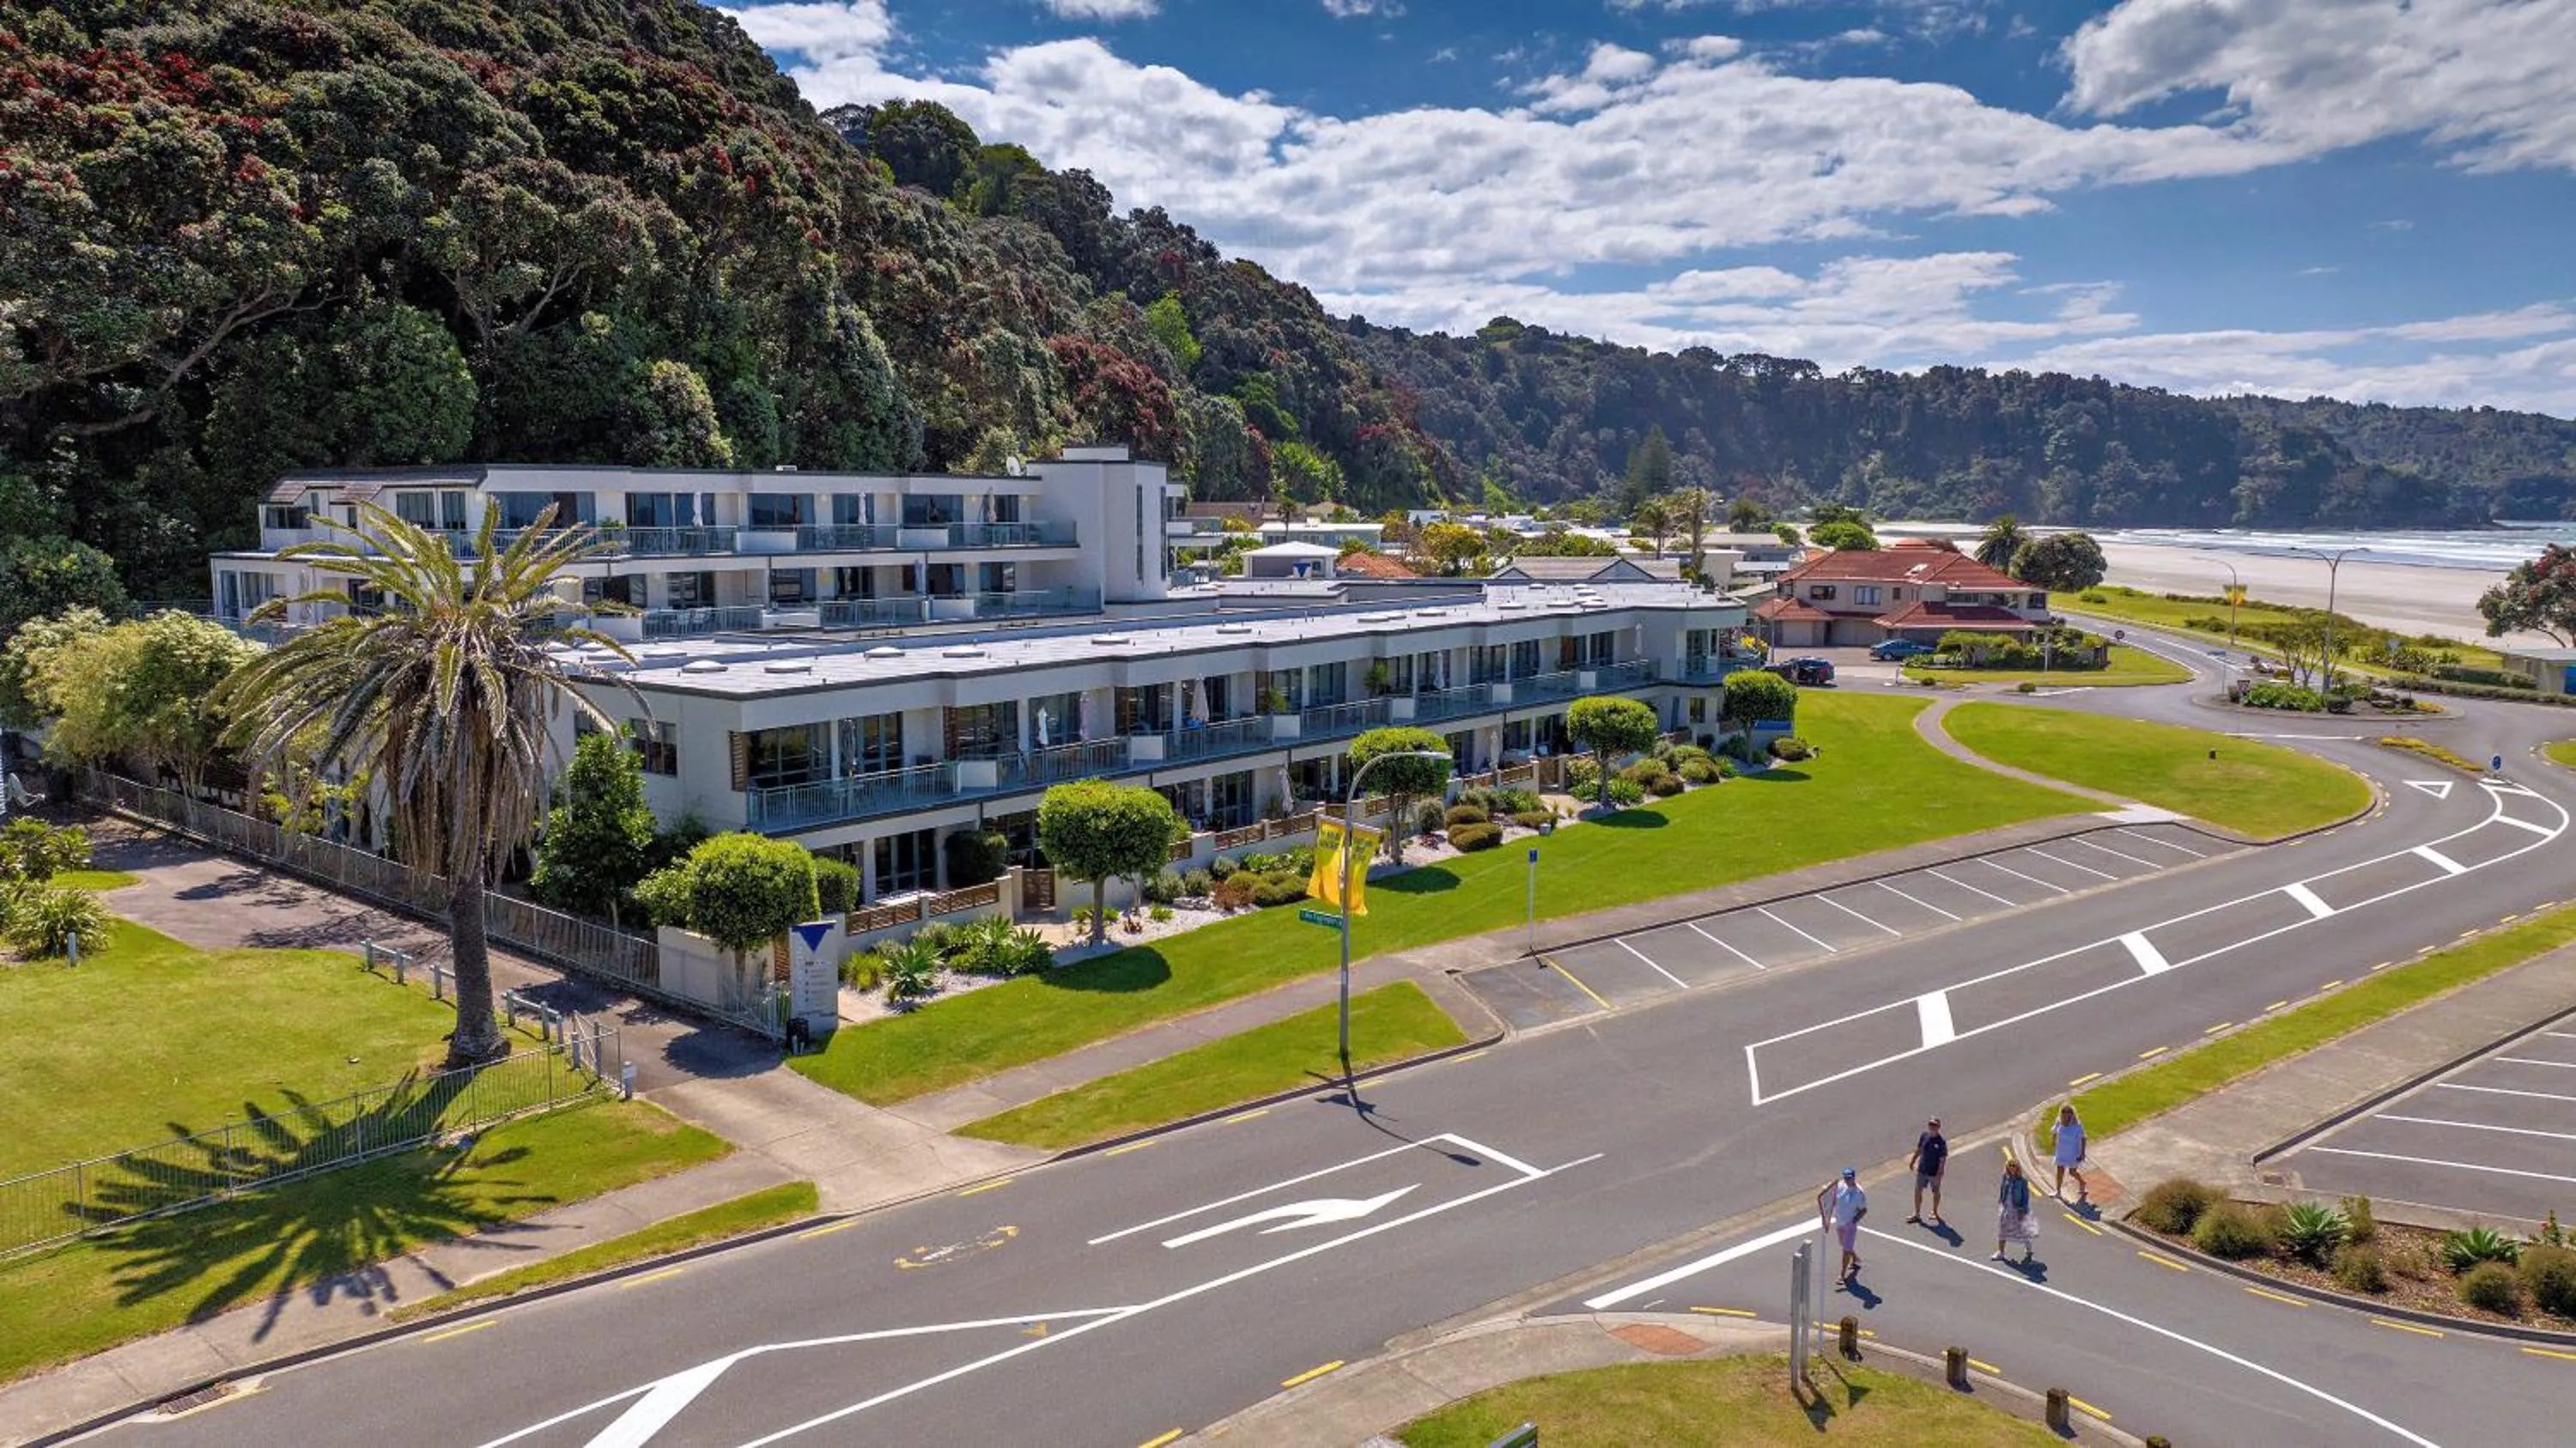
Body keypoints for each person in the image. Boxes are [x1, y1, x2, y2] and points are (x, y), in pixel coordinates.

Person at [1816, 1167, 1868, 1284]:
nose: (1847, 1180)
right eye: (1845, 1177)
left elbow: (1863, 1210)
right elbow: (1829, 1193)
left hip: (1850, 1225)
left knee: (1846, 1249)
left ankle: (1842, 1275)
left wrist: (1853, 1221)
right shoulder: (1840, 1186)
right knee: (1844, 1245)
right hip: (1840, 1222)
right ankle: (1855, 1259)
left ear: (1854, 1177)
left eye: (1849, 1178)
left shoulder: (1859, 1193)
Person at [1994, 1159, 2038, 1262]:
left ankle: (2028, 1249)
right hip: (2006, 1208)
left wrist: (2023, 1210)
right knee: (2002, 1230)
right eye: (2010, 1165)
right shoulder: (2005, 1178)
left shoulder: (2022, 1182)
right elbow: (2002, 1189)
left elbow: (2026, 1197)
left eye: (2014, 1165)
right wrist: (2001, 1200)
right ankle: (2000, 1252)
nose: (2012, 1167)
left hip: (2017, 1209)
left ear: (2018, 1168)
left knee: (2021, 1231)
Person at [1906, 1116, 1947, 1226]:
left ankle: (1935, 1211)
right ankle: (1917, 1214)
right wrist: (1913, 1160)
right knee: (1918, 1191)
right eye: (1930, 1125)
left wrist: (1940, 1173)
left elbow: (1942, 1159)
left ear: (1939, 1127)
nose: (1932, 1127)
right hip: (1922, 1169)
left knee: (1936, 1191)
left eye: (1934, 1125)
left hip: (1934, 1172)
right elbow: (1919, 1149)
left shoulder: (1941, 1142)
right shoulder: (1924, 1136)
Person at [2052, 1104, 2089, 1202]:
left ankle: (2082, 1182)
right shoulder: (2059, 1123)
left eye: (2069, 1112)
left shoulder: (2077, 1126)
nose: (2066, 1114)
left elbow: (2083, 1138)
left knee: (2072, 1172)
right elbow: (2055, 1132)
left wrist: (2082, 1153)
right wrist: (2053, 1140)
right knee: (2060, 1171)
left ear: (2072, 1113)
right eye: (2064, 1111)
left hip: (2073, 1152)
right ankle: (2058, 1192)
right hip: (2061, 1151)